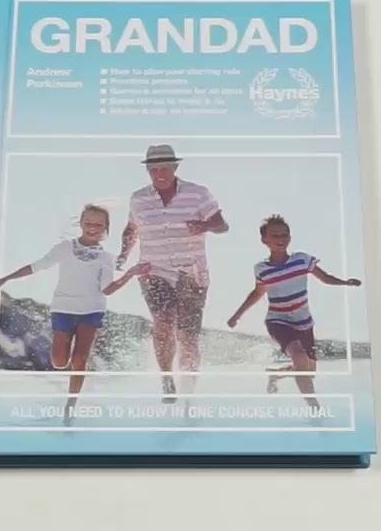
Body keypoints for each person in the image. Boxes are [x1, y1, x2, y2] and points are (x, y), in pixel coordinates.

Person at [0, 204, 150, 421]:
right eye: (88, 223)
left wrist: (130, 274)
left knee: (80, 357)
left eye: (98, 225)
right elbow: (36, 266)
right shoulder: (64, 248)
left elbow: (107, 289)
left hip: (92, 310)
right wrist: (6, 278)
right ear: (81, 223)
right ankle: (73, 375)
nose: (92, 228)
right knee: (59, 362)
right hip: (63, 309)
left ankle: (71, 404)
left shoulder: (106, 258)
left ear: (106, 228)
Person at [116, 144, 227, 402]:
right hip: (153, 270)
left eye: (164, 168)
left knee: (188, 336)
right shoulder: (138, 198)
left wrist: (204, 225)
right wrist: (123, 255)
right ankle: (167, 378)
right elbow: (131, 229)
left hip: (192, 272)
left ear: (175, 167)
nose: (159, 174)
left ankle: (188, 388)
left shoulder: (198, 193)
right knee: (163, 321)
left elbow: (222, 225)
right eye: (153, 169)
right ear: (148, 171)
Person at [226, 214, 361, 413]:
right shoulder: (262, 269)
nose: (281, 239)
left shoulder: (302, 260)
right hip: (278, 321)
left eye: (285, 235)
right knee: (298, 356)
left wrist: (345, 282)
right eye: (275, 236)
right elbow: (257, 293)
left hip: (304, 322)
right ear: (264, 240)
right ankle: (315, 410)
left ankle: (276, 374)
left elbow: (325, 278)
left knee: (308, 371)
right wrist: (237, 315)